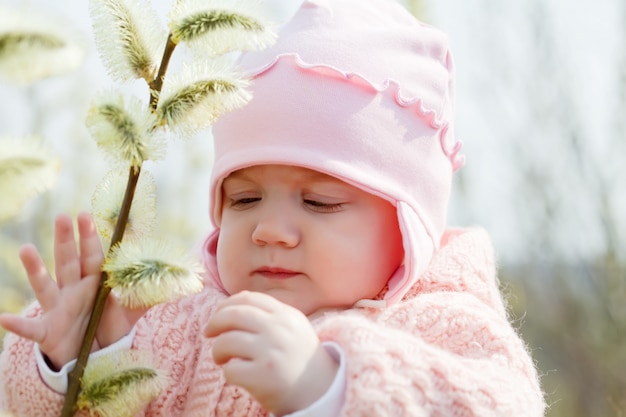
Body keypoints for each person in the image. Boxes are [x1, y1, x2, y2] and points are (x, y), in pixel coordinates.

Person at [0, 0, 546, 415]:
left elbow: (500, 403)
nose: (270, 229)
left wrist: (325, 385)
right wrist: (81, 359)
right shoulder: (184, 317)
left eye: (319, 201)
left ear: (411, 228)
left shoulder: (444, 324)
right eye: (243, 198)